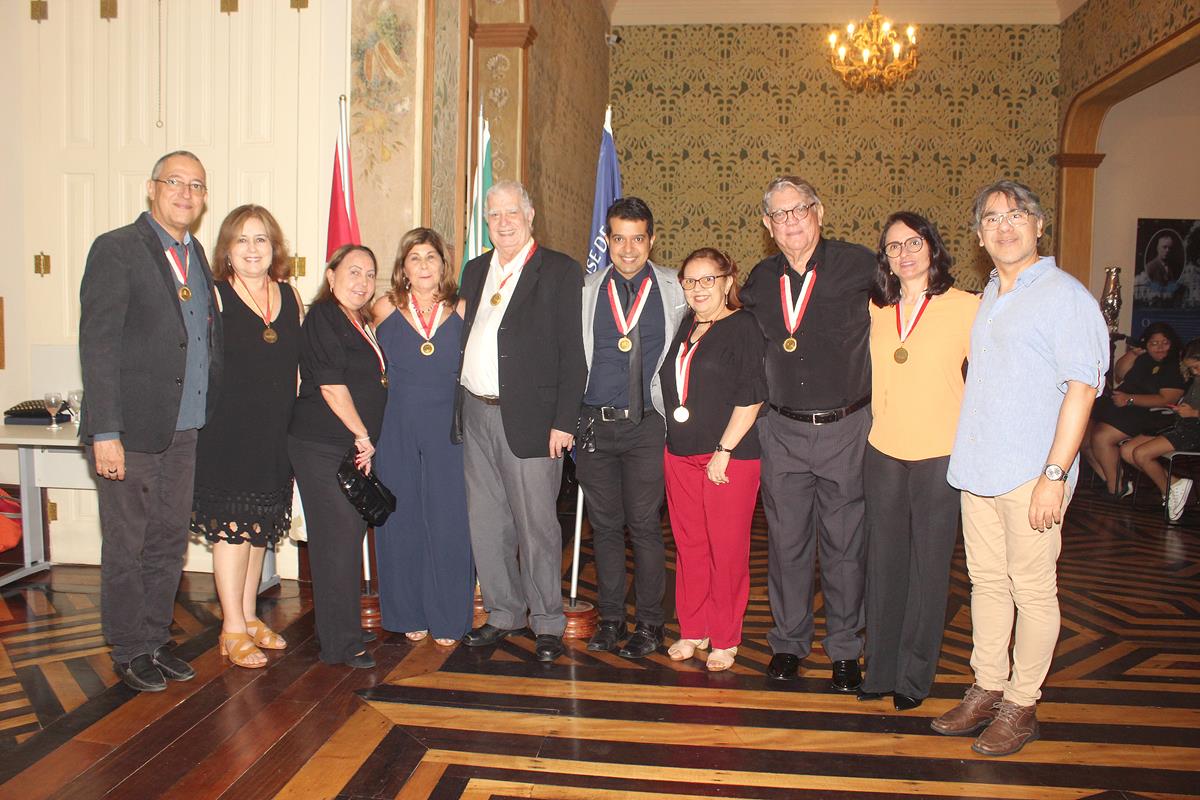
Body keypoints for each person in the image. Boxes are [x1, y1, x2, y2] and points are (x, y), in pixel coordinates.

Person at [934, 179, 1109, 757]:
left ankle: (1022, 703)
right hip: (979, 466)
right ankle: (987, 686)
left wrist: (1054, 476)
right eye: (991, 218)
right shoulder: (990, 293)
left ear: (1038, 225)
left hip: (1032, 474)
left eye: (1016, 215)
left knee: (1032, 591)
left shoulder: (1065, 296)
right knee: (986, 583)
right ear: (979, 234)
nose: (1004, 226)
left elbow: (1082, 389)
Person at [80, 151, 223, 692]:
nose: (186, 194)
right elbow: (98, 345)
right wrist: (105, 432)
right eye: (175, 182)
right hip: (130, 432)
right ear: (151, 188)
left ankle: (156, 640)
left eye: (196, 186)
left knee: (168, 540)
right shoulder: (117, 249)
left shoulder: (195, 254)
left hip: (184, 429)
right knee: (128, 544)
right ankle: (128, 648)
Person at [739, 176, 874, 693]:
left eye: (799, 210)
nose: (791, 221)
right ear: (767, 225)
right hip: (782, 431)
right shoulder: (760, 279)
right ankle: (789, 643)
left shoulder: (859, 266)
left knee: (845, 546)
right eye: (779, 214)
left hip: (846, 428)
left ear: (819, 212)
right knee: (787, 544)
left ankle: (845, 649)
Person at [454, 181, 587, 662]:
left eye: (512, 212)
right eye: (494, 215)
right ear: (486, 222)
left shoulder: (559, 270)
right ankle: (504, 612)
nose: (503, 222)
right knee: (487, 522)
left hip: (534, 419)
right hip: (476, 411)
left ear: (531, 215)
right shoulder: (475, 270)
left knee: (537, 527)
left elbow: (573, 354)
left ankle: (547, 620)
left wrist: (564, 422)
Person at [857, 212, 978, 711]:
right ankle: (879, 669)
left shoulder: (967, 307)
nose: (904, 253)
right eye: (893, 247)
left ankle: (913, 676)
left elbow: (989, 379)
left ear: (932, 247)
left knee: (929, 570)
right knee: (883, 565)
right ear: (884, 258)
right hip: (884, 449)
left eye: (913, 243)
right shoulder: (876, 308)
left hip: (940, 454)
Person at [192, 205, 302, 669]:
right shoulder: (214, 297)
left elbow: (296, 369)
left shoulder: (290, 295)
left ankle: (250, 615)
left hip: (275, 433)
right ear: (227, 249)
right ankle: (232, 628)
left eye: (261, 239)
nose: (252, 249)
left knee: (260, 530)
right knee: (233, 533)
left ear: (274, 247)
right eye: (242, 239)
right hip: (228, 434)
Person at [577, 197, 686, 658]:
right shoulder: (585, 290)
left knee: (643, 526)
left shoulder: (676, 289)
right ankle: (610, 619)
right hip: (594, 427)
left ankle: (650, 625)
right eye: (619, 238)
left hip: (648, 426)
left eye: (637, 239)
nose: (627, 249)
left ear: (651, 240)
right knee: (604, 527)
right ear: (607, 239)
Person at [659, 248, 766, 671]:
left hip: (727, 457)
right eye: (690, 280)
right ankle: (693, 629)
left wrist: (724, 450)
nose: (698, 288)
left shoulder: (743, 326)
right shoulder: (687, 324)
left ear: (727, 282)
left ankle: (724, 638)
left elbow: (751, 396)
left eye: (708, 279)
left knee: (727, 550)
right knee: (690, 547)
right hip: (679, 454)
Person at [372, 228, 474, 646]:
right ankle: (408, 612)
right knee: (401, 519)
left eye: (431, 256)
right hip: (395, 428)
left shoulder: (462, 308)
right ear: (404, 267)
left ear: (443, 265)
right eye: (415, 257)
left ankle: (448, 616)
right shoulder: (383, 308)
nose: (424, 265)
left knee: (450, 520)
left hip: (449, 432)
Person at [288, 245, 387, 669]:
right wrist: (362, 434)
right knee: (336, 542)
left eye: (370, 274)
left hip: (346, 447)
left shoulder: (357, 320)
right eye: (353, 271)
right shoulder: (324, 317)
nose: (362, 281)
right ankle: (339, 645)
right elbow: (330, 386)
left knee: (346, 536)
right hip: (323, 445)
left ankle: (341, 626)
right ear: (331, 276)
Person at [1085, 322, 1185, 496]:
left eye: (1165, 343)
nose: (1160, 347)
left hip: (1149, 412)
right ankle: (1111, 479)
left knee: (1102, 437)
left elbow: (1167, 399)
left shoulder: (1174, 366)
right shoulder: (1144, 359)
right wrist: (1133, 353)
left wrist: (1130, 399)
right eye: (1154, 343)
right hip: (1123, 405)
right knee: (1083, 436)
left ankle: (1116, 487)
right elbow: (1119, 374)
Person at [1119, 338, 1200, 522]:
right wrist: (1183, 409)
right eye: (1192, 369)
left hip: (1193, 430)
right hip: (1182, 424)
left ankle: (1171, 489)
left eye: (1196, 367)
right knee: (1127, 451)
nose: (1195, 372)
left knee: (1141, 454)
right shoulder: (1197, 380)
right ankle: (1174, 484)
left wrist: (1193, 413)